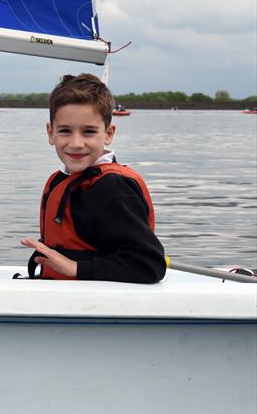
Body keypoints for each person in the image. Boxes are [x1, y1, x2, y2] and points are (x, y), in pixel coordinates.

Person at [20, 73, 165, 283]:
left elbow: (149, 265)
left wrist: (75, 268)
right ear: (50, 133)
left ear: (108, 134)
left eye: (88, 132)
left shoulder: (112, 188)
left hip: (97, 307)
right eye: (65, 131)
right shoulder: (64, 179)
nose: (76, 143)